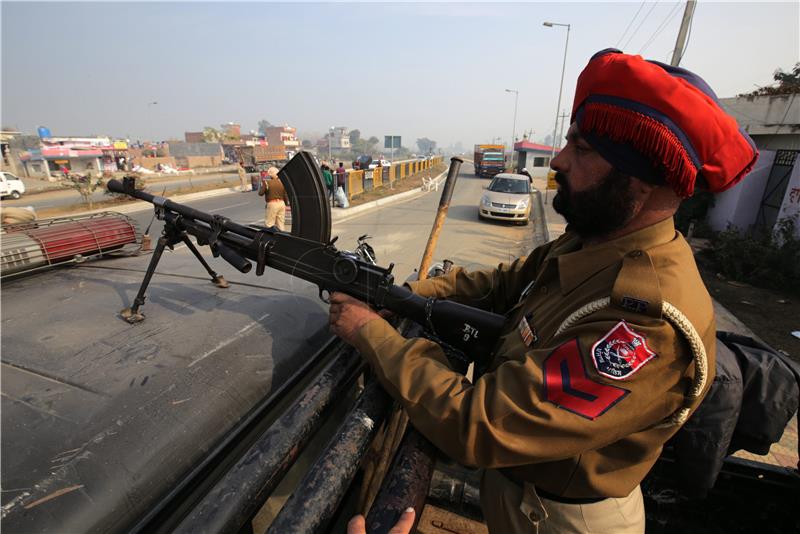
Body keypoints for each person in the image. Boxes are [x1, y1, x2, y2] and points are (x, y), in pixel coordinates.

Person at [328, 49, 757, 533]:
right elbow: (500, 283)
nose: (558, 160)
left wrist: (371, 334)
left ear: (643, 180)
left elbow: (480, 423)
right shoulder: (594, 240)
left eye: (584, 149)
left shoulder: (646, 324)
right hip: (520, 490)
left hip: (562, 518)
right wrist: (397, 293)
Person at [258, 166, 288, 231]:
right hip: (282, 203)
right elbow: (285, 195)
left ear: (270, 174)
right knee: (280, 224)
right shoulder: (282, 182)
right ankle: (282, 238)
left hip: (272, 204)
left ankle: (269, 238)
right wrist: (286, 203)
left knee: (269, 224)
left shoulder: (267, 183)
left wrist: (263, 185)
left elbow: (260, 193)